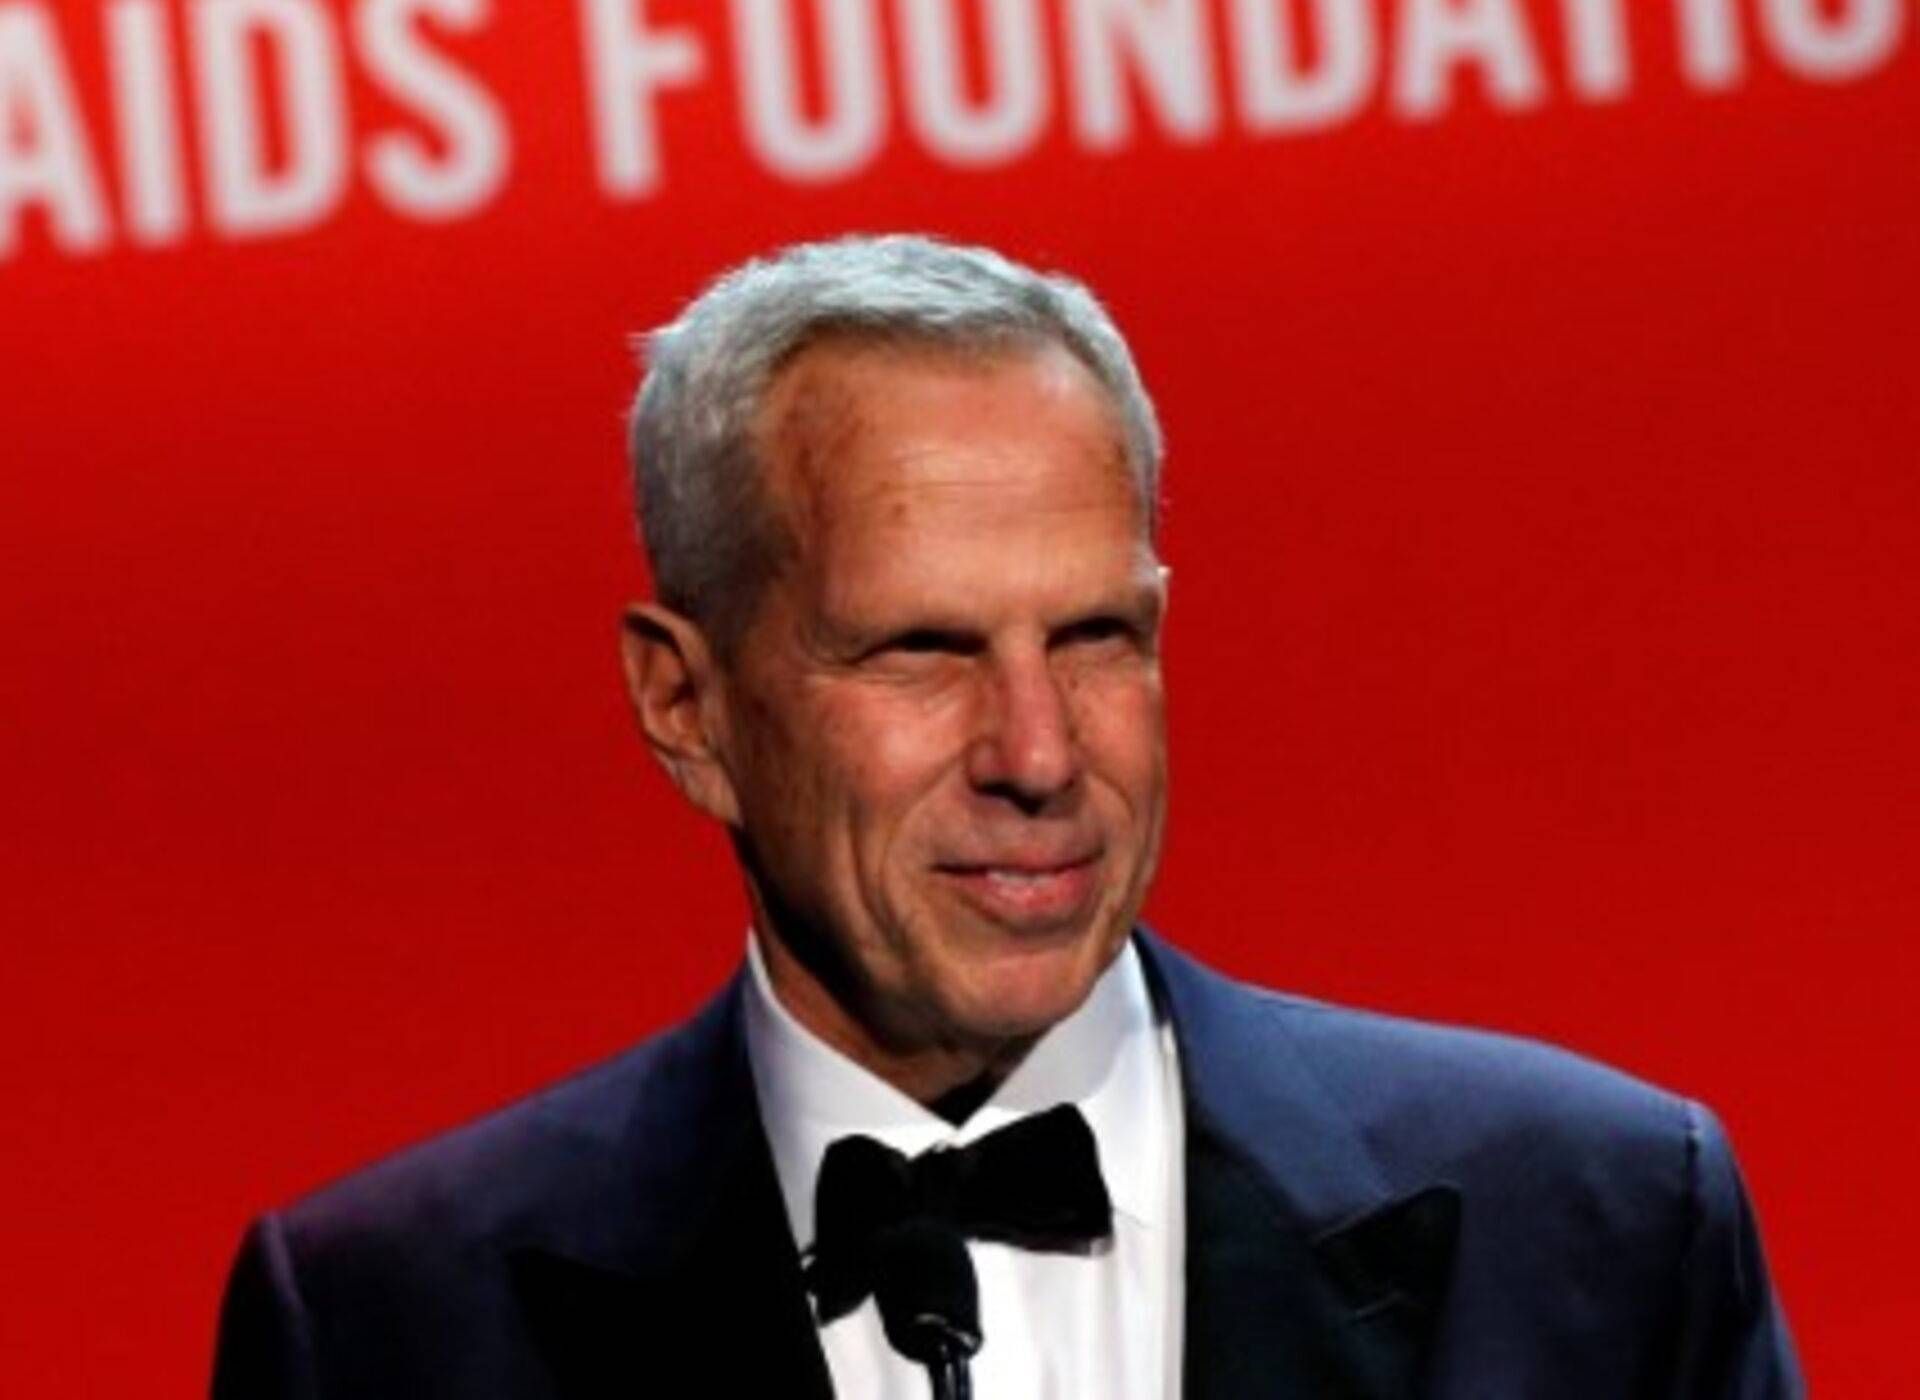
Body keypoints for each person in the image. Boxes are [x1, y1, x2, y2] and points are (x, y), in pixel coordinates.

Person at [212, 235, 1801, 1398]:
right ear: (686, 706)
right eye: (922, 650)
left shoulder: (1594, 1224)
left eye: (1098, 638)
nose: (1039, 755)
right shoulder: (387, 1330)